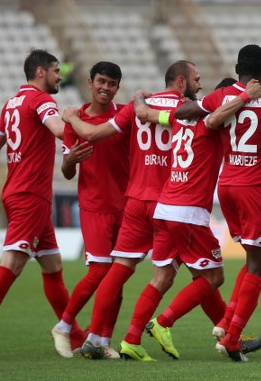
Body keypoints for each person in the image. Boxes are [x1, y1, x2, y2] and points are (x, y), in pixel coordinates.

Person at [62, 60, 225, 361]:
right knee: (202, 272)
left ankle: (97, 336)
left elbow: (95, 134)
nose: (200, 85)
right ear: (180, 81)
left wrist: (71, 119)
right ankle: (228, 333)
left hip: (135, 199)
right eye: (197, 79)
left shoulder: (142, 104)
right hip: (172, 203)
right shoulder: (189, 110)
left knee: (121, 268)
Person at [117, 77, 261, 361]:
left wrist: (137, 96)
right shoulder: (211, 120)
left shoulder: (176, 117)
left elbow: (144, 113)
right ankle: (163, 323)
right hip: (189, 212)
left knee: (162, 278)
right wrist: (246, 98)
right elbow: (219, 118)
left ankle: (130, 340)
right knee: (214, 276)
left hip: (165, 207)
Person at [0, 49, 85, 356]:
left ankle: (76, 335)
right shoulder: (41, 100)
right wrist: (74, 118)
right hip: (30, 194)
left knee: (52, 266)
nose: (59, 76)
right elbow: (57, 130)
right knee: (12, 263)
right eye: (55, 70)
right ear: (40, 72)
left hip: (19, 191)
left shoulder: (11, 103)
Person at [174, 44, 261, 362]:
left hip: (226, 188)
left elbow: (181, 113)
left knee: (251, 258)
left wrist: (221, 110)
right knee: (259, 264)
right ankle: (233, 338)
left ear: (237, 71)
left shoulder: (218, 98)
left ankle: (226, 324)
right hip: (256, 187)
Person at [50, 62, 129, 359]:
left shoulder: (124, 116)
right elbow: (67, 171)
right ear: (90, 82)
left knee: (117, 277)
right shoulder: (75, 120)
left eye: (112, 83)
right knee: (99, 271)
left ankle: (101, 341)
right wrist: (72, 161)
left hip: (126, 206)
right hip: (95, 206)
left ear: (118, 88)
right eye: (101, 81)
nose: (106, 88)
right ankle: (64, 326)